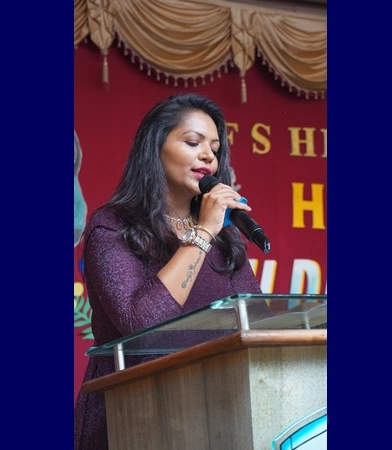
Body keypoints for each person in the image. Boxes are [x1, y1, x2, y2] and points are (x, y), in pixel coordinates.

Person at [73, 93, 262, 449]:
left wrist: (211, 231)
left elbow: (256, 322)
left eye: (215, 149)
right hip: (130, 419)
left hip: (215, 418)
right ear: (155, 148)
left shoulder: (224, 237)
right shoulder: (112, 228)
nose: (208, 156)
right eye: (193, 142)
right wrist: (202, 233)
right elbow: (143, 326)